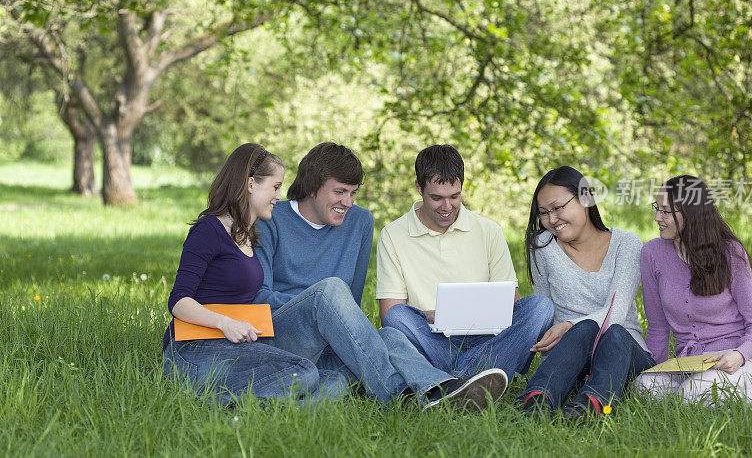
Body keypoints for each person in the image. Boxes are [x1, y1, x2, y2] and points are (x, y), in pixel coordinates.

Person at [251, 142, 508, 410]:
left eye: (353, 193)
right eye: (340, 192)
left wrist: (340, 326)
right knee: (329, 291)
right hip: (284, 339)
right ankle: (399, 396)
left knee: (382, 344)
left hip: (329, 346)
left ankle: (442, 389)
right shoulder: (269, 218)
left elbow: (351, 304)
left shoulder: (359, 221)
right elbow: (260, 298)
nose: (347, 202)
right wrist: (316, 306)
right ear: (312, 186)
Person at [163, 143, 349, 404]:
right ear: (251, 184)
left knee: (336, 381)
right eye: (275, 187)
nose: (279, 196)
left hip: (236, 344)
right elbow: (179, 301)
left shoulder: (250, 237)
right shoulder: (209, 230)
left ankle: (270, 412)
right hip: (194, 347)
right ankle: (220, 401)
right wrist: (225, 323)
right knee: (304, 373)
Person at [376, 144, 554, 382]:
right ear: (419, 188)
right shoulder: (393, 234)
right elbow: (390, 314)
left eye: (454, 196)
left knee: (541, 307)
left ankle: (454, 379)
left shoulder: (489, 231)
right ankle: (481, 374)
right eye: (436, 198)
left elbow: (511, 305)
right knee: (398, 318)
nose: (447, 207)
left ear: (462, 187)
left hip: (488, 337)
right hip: (432, 340)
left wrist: (477, 315)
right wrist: (439, 316)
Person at [516, 166, 655, 420]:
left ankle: (592, 403)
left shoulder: (627, 244)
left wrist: (570, 325)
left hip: (623, 357)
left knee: (610, 330)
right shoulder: (543, 247)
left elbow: (616, 312)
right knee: (584, 330)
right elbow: (545, 310)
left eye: (558, 208)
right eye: (544, 213)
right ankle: (537, 397)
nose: (552, 219)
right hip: (572, 359)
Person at [634, 175, 752, 406]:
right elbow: (657, 328)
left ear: (691, 213)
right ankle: (706, 397)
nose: (657, 217)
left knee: (691, 395)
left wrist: (740, 354)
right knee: (643, 387)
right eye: (657, 209)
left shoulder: (730, 253)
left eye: (666, 212)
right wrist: (653, 371)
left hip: (735, 358)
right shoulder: (652, 253)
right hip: (688, 363)